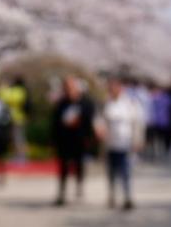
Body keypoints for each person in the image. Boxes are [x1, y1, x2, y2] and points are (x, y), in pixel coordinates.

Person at [96, 77, 144, 211]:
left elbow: (137, 123)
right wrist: (99, 130)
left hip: (125, 143)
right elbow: (98, 120)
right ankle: (112, 195)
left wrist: (137, 140)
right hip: (110, 144)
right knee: (111, 172)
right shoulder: (105, 104)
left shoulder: (130, 103)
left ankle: (127, 197)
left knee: (126, 172)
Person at [51, 76, 95, 206]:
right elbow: (55, 123)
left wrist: (89, 137)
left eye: (71, 87)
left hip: (79, 139)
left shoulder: (85, 103)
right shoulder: (61, 104)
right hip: (64, 140)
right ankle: (62, 193)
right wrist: (53, 140)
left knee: (79, 164)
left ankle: (79, 187)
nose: (69, 90)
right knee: (63, 166)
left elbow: (89, 121)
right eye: (66, 87)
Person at [0, 76, 30, 163]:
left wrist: (2, 89)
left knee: (18, 138)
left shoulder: (18, 90)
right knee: (16, 138)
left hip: (17, 118)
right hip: (17, 118)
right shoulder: (22, 90)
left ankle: (21, 157)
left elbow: (7, 98)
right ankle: (18, 155)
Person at [147, 83, 171, 160]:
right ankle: (156, 153)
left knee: (160, 139)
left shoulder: (164, 98)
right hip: (156, 121)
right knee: (156, 139)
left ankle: (160, 153)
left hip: (162, 122)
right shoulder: (154, 97)